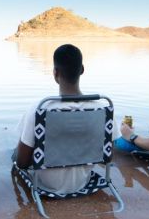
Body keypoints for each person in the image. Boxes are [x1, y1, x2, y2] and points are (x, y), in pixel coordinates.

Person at [13, 44, 107, 195]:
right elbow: (106, 155)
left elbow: (22, 163)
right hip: (82, 182)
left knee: (15, 152)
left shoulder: (40, 108)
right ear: (82, 69)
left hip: (45, 185)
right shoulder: (102, 108)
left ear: (55, 73)